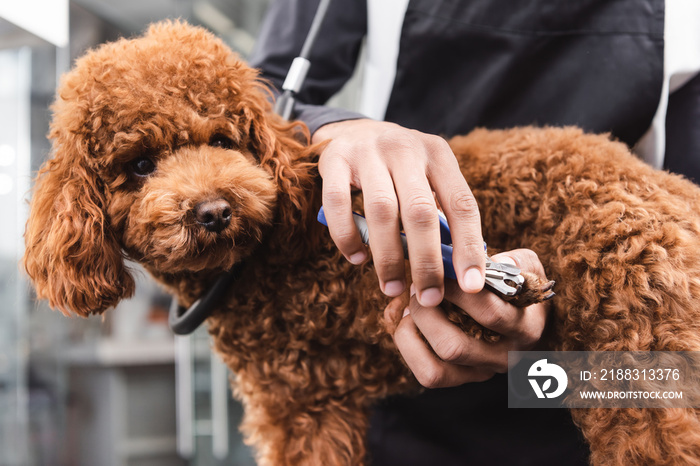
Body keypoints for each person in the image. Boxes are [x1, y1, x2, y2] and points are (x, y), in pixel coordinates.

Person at [249, 0, 700, 464]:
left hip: (604, 367)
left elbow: (680, 354)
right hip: (407, 385)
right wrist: (338, 131)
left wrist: (541, 362)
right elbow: (260, 100)